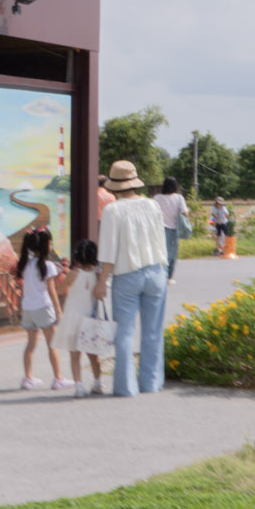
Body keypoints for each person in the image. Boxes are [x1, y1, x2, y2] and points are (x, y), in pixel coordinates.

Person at [93, 160, 169, 396]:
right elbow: (160, 239)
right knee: (153, 331)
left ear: (113, 185)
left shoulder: (113, 210)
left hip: (127, 275)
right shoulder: (152, 205)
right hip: (157, 271)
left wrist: (102, 281)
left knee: (124, 332)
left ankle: (126, 387)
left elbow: (108, 249)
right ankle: (151, 383)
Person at [13, 226, 70, 391]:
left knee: (30, 345)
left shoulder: (25, 265)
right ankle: (58, 378)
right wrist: (58, 311)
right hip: (43, 308)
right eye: (51, 242)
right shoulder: (48, 266)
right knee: (52, 344)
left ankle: (28, 378)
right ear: (47, 245)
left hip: (28, 309)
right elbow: (51, 291)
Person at [58, 238, 104, 397]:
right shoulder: (98, 274)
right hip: (90, 320)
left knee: (74, 355)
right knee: (93, 354)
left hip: (73, 319)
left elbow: (60, 289)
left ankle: (79, 386)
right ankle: (98, 383)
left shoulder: (73, 274)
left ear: (76, 256)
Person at [153, 176, 189, 280]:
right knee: (172, 254)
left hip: (160, 228)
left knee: (160, 251)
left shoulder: (157, 198)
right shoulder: (179, 198)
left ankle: (160, 273)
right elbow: (185, 213)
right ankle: (169, 276)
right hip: (174, 228)